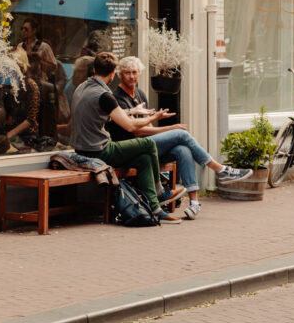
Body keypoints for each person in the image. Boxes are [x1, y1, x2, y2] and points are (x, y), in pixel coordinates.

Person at [108, 56, 252, 220]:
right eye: (127, 73)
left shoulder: (140, 94)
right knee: (181, 134)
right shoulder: (117, 97)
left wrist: (160, 127)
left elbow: (147, 126)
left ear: (140, 73)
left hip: (148, 146)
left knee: (183, 150)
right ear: (120, 74)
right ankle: (220, 169)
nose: (131, 76)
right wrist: (170, 129)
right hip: (132, 149)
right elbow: (136, 131)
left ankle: (194, 203)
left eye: (134, 72)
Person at [70, 51, 184, 223]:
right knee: (148, 145)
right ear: (113, 74)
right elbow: (130, 126)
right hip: (99, 151)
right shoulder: (104, 95)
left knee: (144, 159)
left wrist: (132, 110)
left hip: (80, 149)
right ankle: (160, 192)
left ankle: (155, 209)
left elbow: (106, 111)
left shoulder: (82, 87)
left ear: (94, 69)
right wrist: (154, 118)